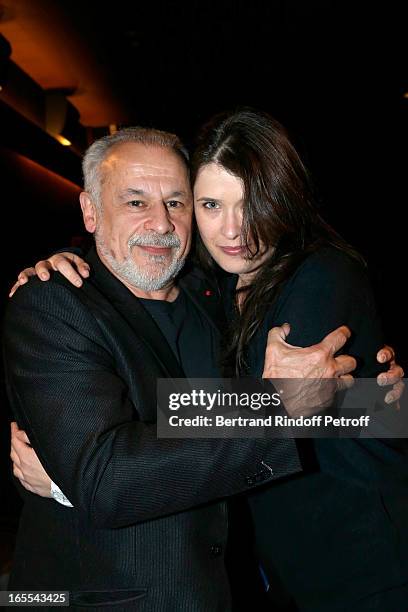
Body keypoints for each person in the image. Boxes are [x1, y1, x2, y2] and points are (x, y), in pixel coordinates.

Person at [10, 111, 407, 611]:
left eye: (174, 202)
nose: (161, 222)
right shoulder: (71, 300)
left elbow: (320, 406)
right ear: (90, 212)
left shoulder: (308, 276)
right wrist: (78, 465)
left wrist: (379, 399)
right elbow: (278, 407)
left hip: (349, 560)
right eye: (211, 205)